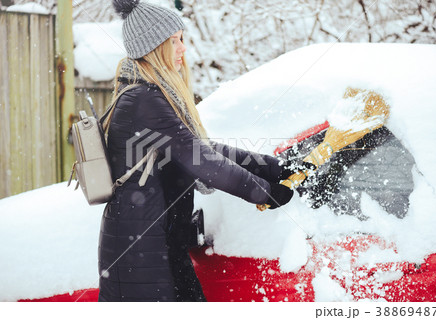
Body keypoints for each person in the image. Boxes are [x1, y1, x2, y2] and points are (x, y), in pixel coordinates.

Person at [98, 0, 301, 302]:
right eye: (174, 40)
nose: (182, 48)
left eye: (182, 39)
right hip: (145, 256)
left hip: (155, 247)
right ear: (154, 47)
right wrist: (266, 193)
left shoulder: (145, 93)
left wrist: (273, 167)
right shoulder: (146, 99)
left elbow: (202, 150)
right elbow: (205, 163)